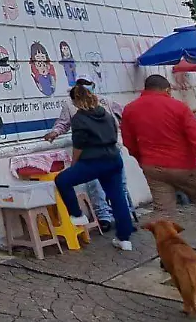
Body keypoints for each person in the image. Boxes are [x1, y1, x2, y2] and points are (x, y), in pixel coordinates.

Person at [120, 75, 196, 252]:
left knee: (163, 216)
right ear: (167, 89)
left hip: (153, 167)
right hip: (185, 167)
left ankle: (169, 256)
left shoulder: (130, 109)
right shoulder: (179, 107)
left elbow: (129, 142)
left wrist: (143, 161)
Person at [52, 82, 135, 251]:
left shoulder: (79, 118)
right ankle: (124, 239)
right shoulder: (106, 114)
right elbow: (115, 132)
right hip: (113, 159)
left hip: (93, 161)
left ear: (76, 100)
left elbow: (79, 145)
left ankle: (77, 215)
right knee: (118, 197)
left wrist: (74, 164)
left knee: (62, 180)